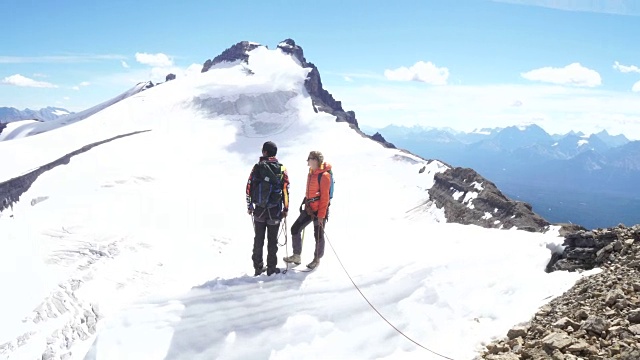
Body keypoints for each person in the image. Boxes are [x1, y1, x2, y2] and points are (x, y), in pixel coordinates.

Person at [246, 141, 289, 276]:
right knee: (272, 241)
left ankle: (258, 267)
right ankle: (271, 268)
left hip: (259, 209)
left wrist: (249, 206)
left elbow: (249, 187)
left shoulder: (257, 167)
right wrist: (286, 209)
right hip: (275, 210)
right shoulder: (281, 169)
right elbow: (285, 190)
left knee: (258, 239)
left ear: (264, 152)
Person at [283, 151, 331, 270]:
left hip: (319, 211)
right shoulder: (311, 173)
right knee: (295, 229)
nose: (308, 161)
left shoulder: (324, 176)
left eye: (309, 159)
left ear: (315, 160)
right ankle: (296, 256)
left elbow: (325, 198)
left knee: (318, 235)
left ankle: (316, 259)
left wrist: (321, 215)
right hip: (310, 209)